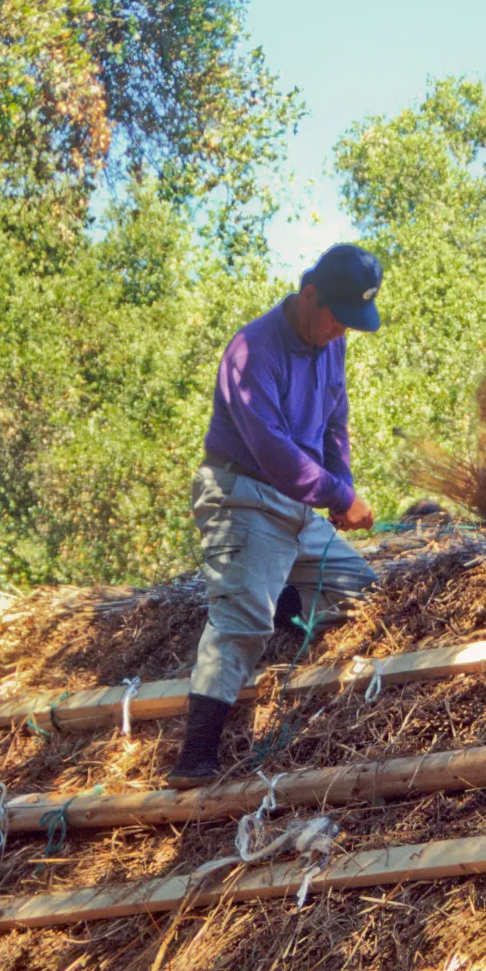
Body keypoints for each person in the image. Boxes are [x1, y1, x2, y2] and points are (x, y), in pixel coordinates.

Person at [167, 243, 382, 788]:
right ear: (309, 295)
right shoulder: (251, 352)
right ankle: (194, 758)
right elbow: (275, 452)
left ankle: (274, 594)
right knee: (241, 625)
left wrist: (345, 484)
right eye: (338, 317)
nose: (342, 332)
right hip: (244, 494)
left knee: (360, 588)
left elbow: (336, 420)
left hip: (296, 503)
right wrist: (336, 495)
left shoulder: (331, 344)